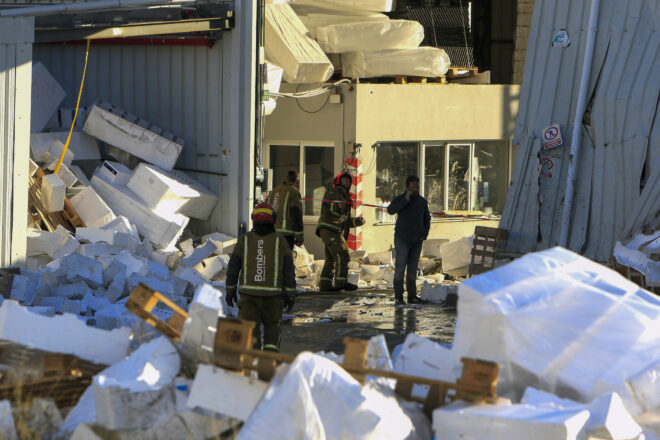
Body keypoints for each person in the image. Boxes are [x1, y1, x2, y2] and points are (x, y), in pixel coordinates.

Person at [225, 202, 296, 352]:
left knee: (250, 335)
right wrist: (290, 293)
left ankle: (253, 364)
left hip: (248, 298)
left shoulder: (244, 240)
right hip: (273, 298)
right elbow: (289, 270)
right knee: (272, 331)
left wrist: (230, 290)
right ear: (274, 219)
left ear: (253, 219)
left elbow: (233, 268)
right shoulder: (280, 241)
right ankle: (268, 365)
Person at [316, 172, 366, 292]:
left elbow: (347, 221)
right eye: (344, 180)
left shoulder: (345, 197)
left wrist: (358, 221)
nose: (346, 182)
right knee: (343, 255)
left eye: (348, 181)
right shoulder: (333, 192)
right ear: (338, 181)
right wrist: (337, 207)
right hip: (330, 229)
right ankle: (341, 283)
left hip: (332, 230)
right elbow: (327, 208)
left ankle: (325, 285)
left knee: (331, 258)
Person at [387, 176, 431, 306]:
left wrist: (425, 234)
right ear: (407, 188)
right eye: (413, 188)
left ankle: (412, 296)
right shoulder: (400, 199)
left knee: (412, 271)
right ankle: (398, 297)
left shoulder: (422, 202)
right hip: (402, 240)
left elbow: (427, 219)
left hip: (417, 241)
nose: (415, 190)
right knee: (400, 269)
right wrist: (405, 200)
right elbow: (390, 210)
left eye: (417, 187)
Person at [267, 170, 304, 250]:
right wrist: (299, 236)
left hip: (271, 233)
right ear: (297, 181)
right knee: (285, 260)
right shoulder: (294, 192)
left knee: (273, 258)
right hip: (286, 235)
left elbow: (265, 209)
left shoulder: (274, 191)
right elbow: (296, 214)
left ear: (286, 178)